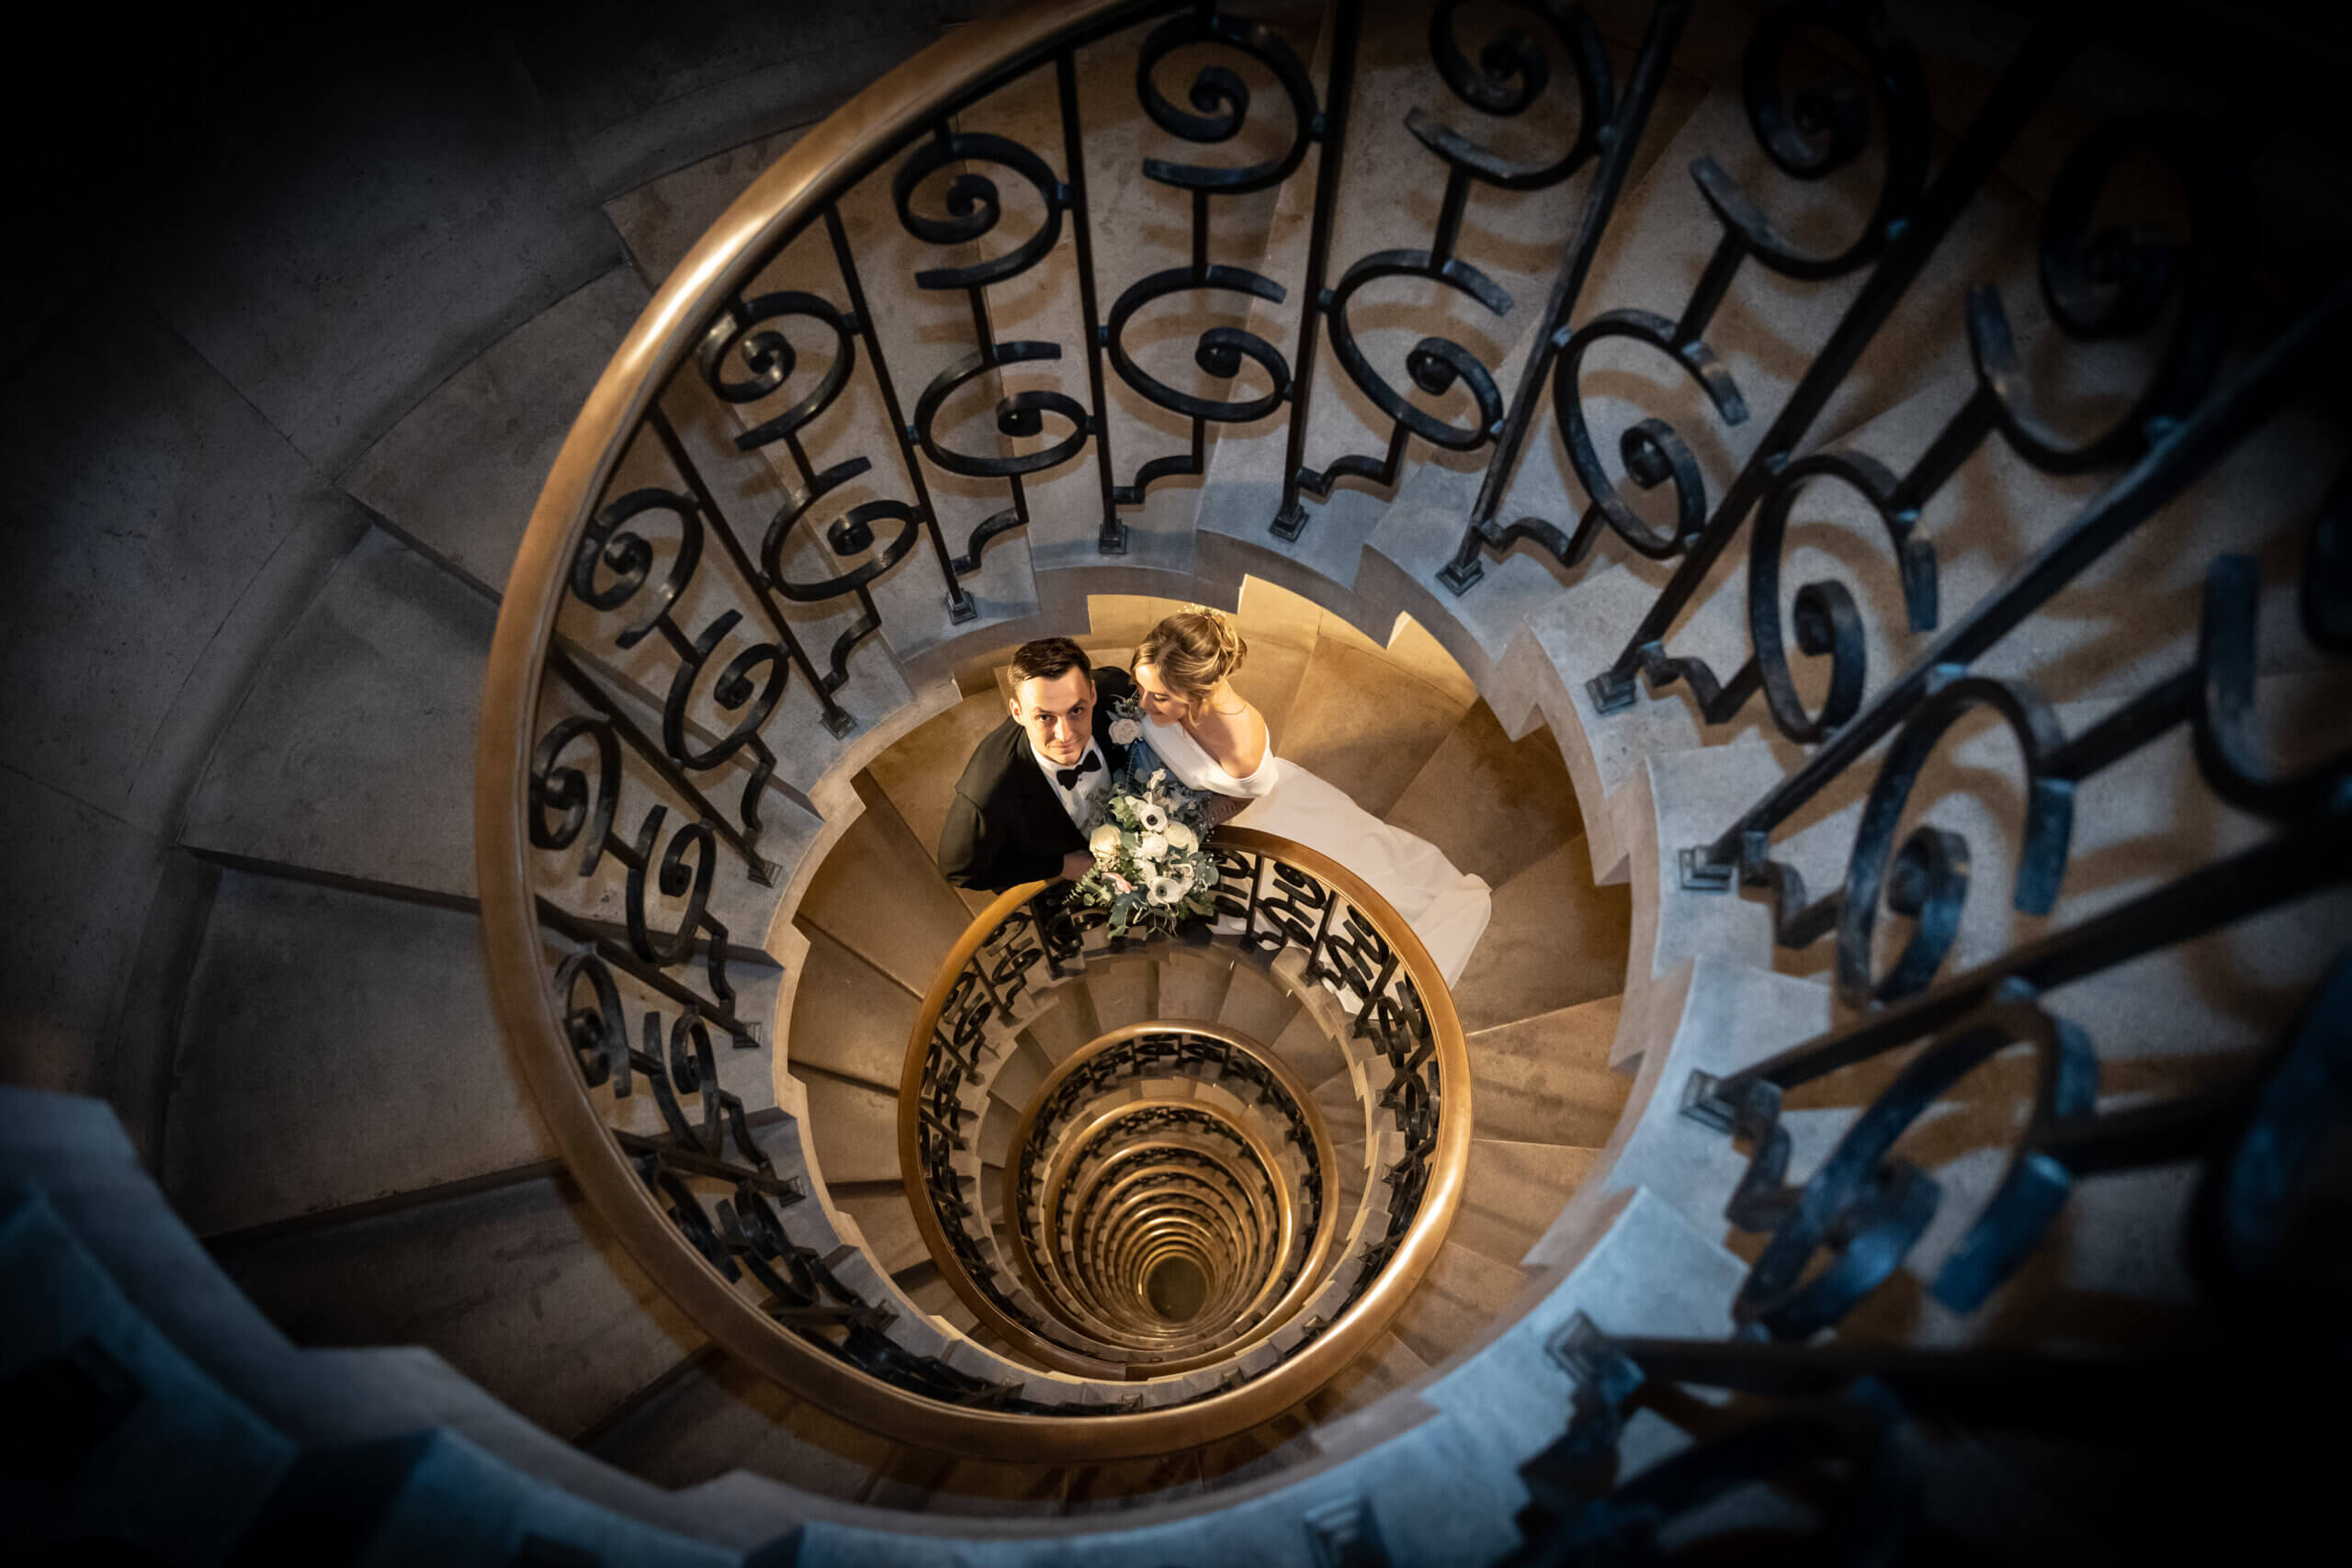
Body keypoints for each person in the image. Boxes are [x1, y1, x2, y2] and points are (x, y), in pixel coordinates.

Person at [1125, 608, 1491, 985]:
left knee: (1337, 889)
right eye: (1140, 689)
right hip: (1200, 800)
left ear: (1198, 694)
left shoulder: (1241, 749)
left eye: (1160, 697)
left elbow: (1242, 799)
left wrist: (1190, 824)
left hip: (1259, 819)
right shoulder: (1165, 700)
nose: (1143, 706)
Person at [938, 637, 1139, 894]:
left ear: (1092, 693)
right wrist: (1061, 865)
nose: (1065, 735)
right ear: (1017, 711)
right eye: (1044, 717)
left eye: (1076, 710)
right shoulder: (987, 792)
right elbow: (957, 869)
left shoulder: (1116, 690)